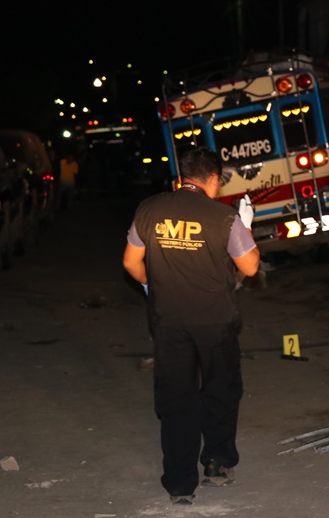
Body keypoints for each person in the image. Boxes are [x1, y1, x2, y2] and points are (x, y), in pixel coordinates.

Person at [122, 146, 259, 506]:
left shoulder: (149, 209)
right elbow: (250, 268)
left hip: (169, 320)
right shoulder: (225, 218)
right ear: (213, 179)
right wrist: (246, 228)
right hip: (215, 321)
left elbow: (130, 262)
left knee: (177, 397)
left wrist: (152, 285)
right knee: (219, 389)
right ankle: (216, 463)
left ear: (182, 177)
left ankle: (180, 485)